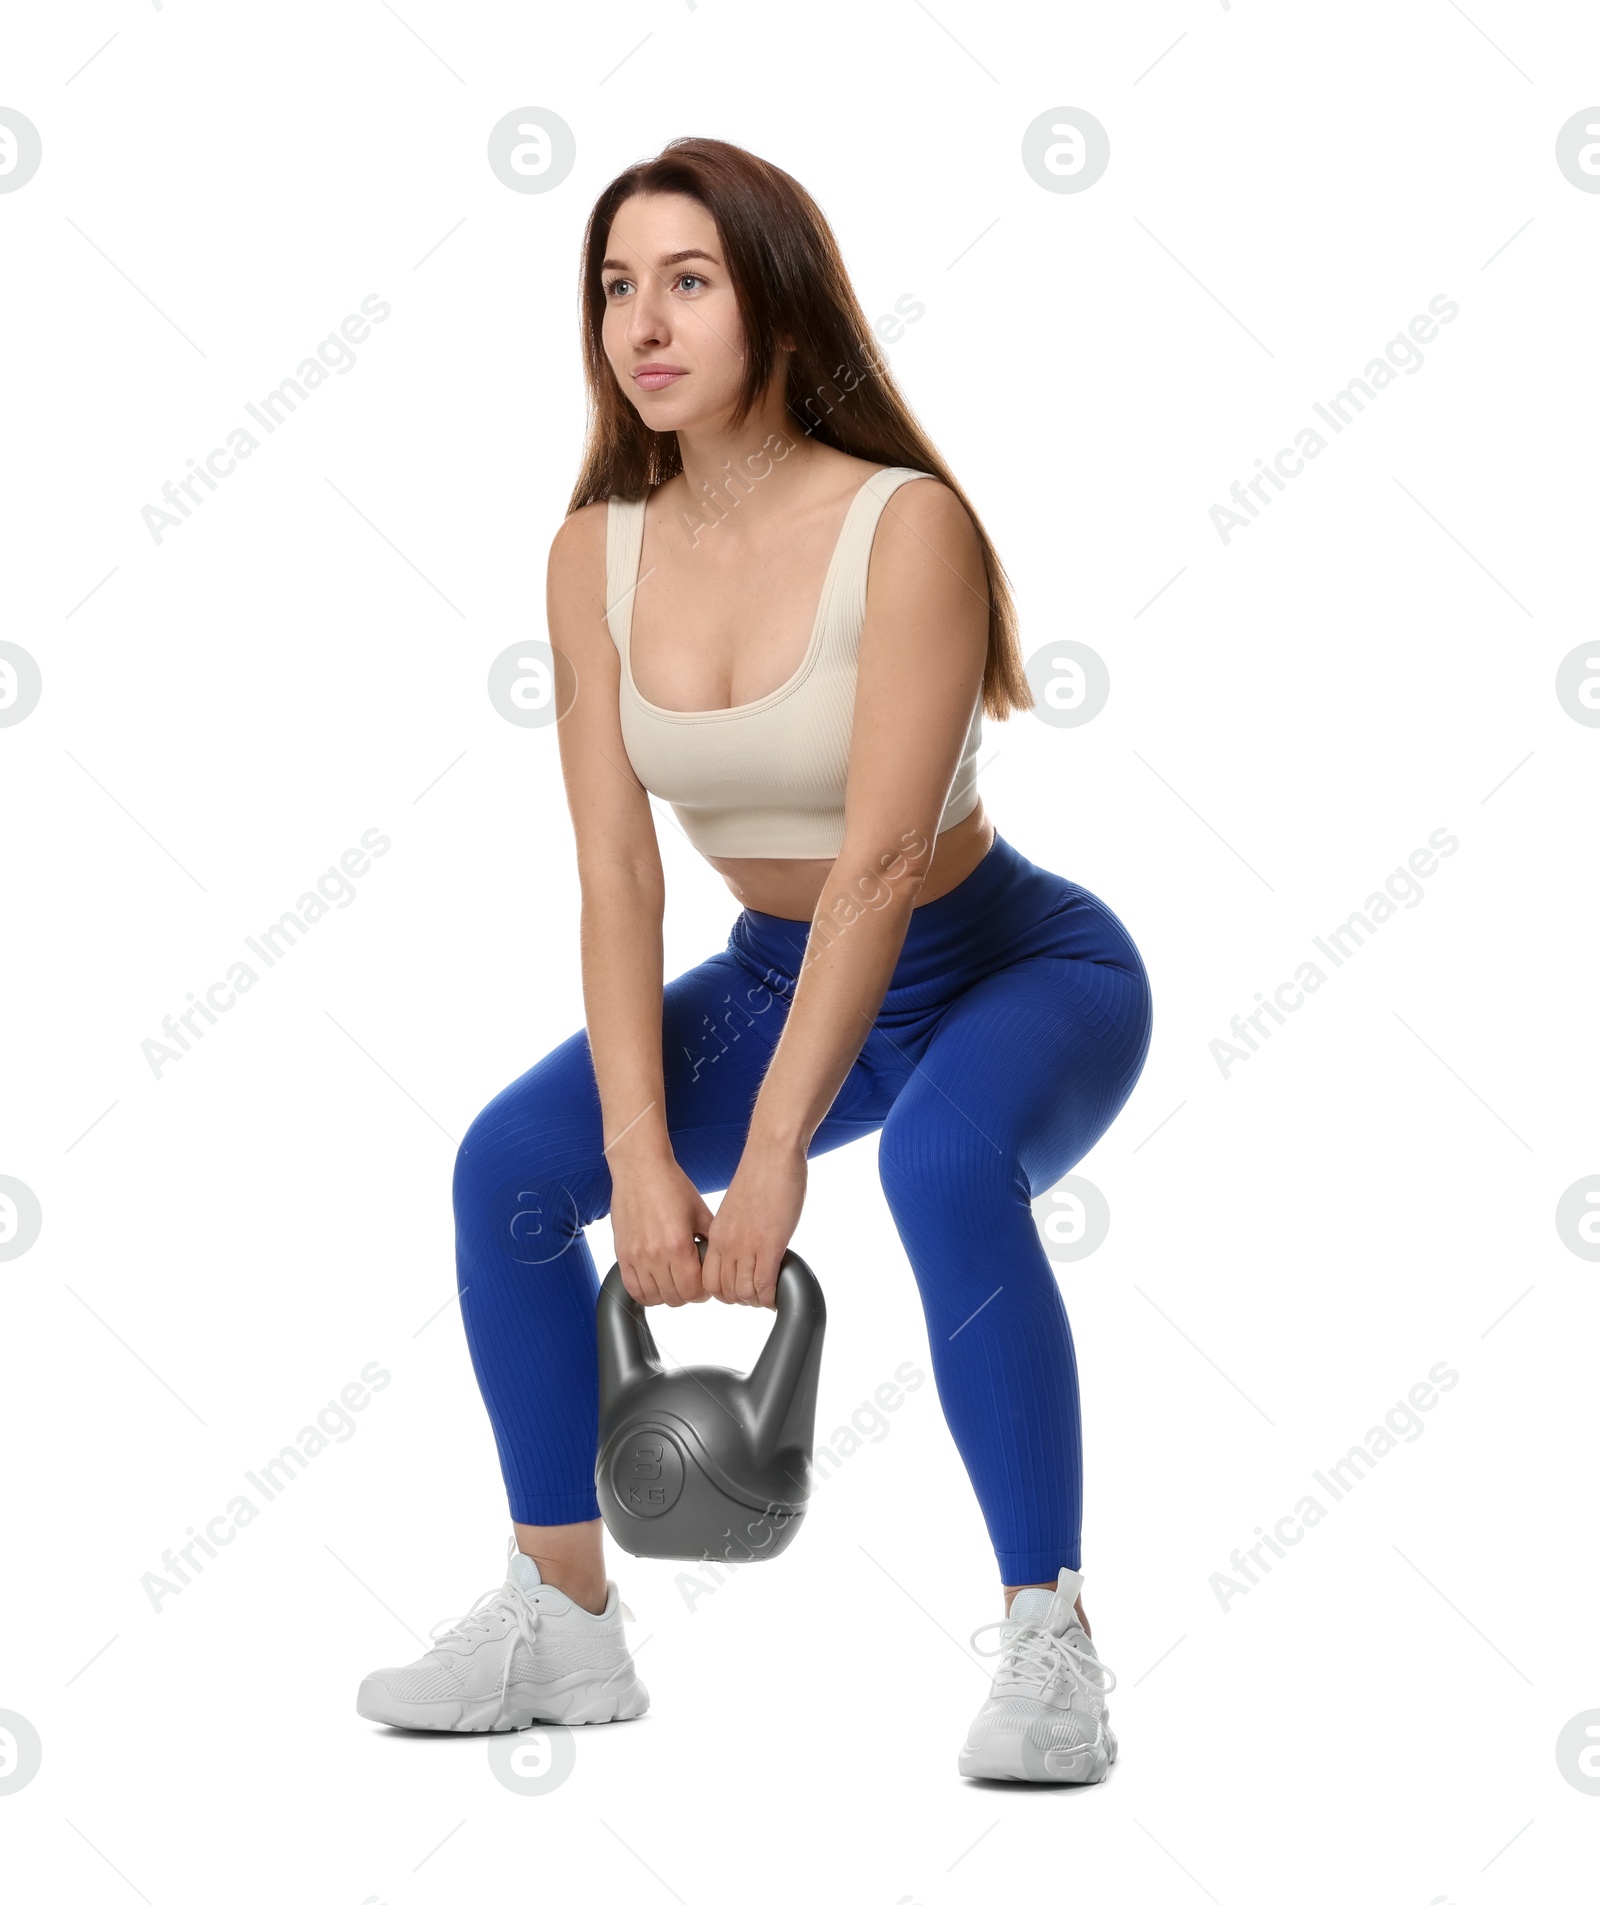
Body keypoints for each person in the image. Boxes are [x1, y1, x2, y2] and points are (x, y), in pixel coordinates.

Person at [355, 137, 1152, 1784]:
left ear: (777, 304)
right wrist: (642, 1157)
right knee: (511, 1166)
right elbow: (614, 866)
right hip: (779, 975)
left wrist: (773, 1146)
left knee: (940, 1161)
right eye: (616, 287)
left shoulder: (905, 526)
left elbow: (875, 862)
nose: (641, 321)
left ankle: (1049, 1633)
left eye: (688, 281)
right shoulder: (594, 552)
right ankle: (563, 1617)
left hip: (1008, 968)